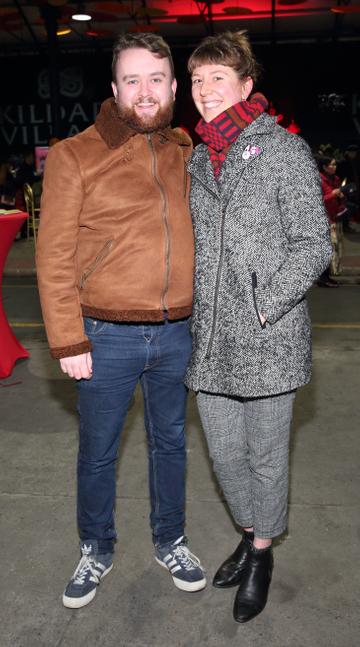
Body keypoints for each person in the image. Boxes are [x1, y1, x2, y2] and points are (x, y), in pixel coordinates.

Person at [36, 32, 206, 610]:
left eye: (156, 78)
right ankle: (96, 546)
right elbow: (53, 255)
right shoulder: (75, 154)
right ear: (114, 88)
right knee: (99, 452)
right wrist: (66, 338)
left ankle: (170, 539)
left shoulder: (184, 148)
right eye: (131, 79)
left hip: (177, 332)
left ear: (173, 87)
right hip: (103, 335)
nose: (144, 90)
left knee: (171, 445)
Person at [184, 31, 332, 624]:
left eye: (218, 78)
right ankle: (250, 533)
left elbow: (314, 243)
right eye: (196, 80)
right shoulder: (198, 157)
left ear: (247, 86)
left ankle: (262, 553)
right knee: (224, 456)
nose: (204, 91)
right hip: (213, 339)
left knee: (267, 456)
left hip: (269, 338)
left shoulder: (284, 152)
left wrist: (265, 305)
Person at [317, 155, 347, 286]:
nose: (334, 167)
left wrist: (341, 196)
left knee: (334, 248)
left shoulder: (336, 179)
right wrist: (332, 195)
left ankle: (327, 277)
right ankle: (323, 278)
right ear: (324, 167)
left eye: (335, 165)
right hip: (323, 219)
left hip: (335, 217)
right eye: (332, 165)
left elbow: (339, 198)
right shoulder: (318, 180)